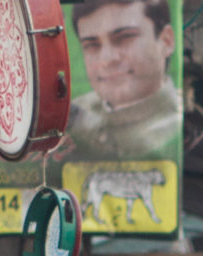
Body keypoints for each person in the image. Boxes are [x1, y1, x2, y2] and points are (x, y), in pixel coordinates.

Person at [66, 0, 181, 163]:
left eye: (124, 37)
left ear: (166, 41)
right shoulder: (71, 113)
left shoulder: (177, 127)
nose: (107, 59)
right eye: (91, 45)